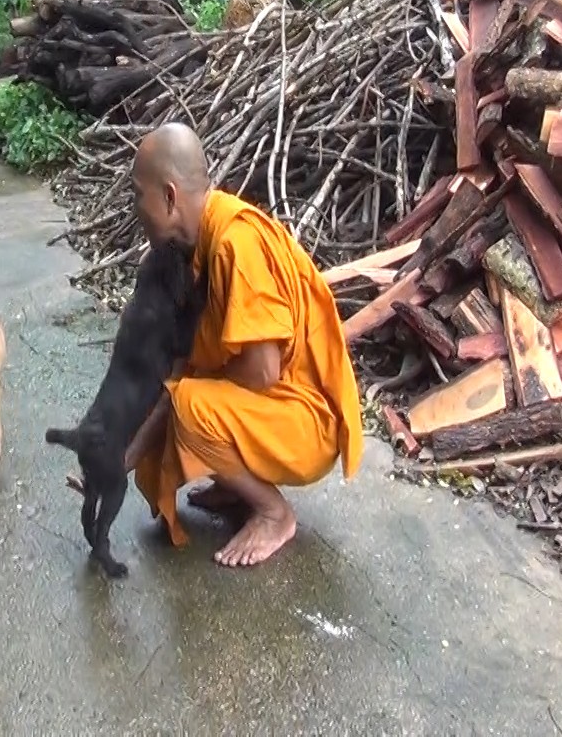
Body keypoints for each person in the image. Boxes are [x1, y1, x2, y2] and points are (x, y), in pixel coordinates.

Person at [71, 121, 364, 568]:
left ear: (169, 197)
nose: (135, 208)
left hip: (308, 424)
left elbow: (263, 370)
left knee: (189, 404)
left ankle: (274, 513)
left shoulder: (234, 244)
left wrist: (181, 396)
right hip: (278, 409)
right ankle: (235, 485)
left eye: (137, 195)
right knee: (180, 386)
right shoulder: (198, 246)